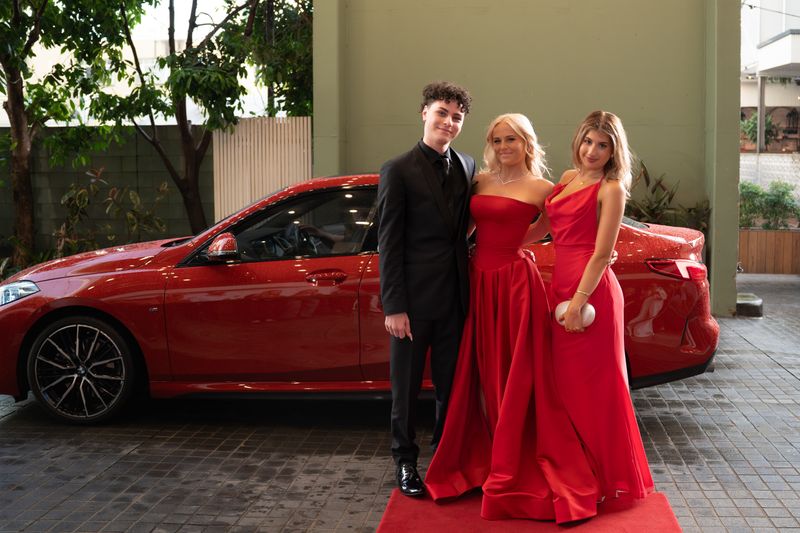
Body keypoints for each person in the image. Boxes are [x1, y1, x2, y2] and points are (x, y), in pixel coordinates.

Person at [424, 113, 600, 523]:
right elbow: (464, 228)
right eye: (497, 140)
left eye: (511, 140)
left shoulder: (543, 188)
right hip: (478, 282)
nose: (504, 147)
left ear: (527, 144)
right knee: (482, 372)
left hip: (516, 286)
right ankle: (484, 454)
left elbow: (560, 226)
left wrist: (518, 244)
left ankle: (511, 460)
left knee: (516, 376)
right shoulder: (479, 181)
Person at [544, 110, 654, 502]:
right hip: (561, 286)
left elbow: (603, 253)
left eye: (602, 145)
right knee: (566, 388)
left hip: (590, 294)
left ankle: (608, 478)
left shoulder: (612, 189)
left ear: (613, 151)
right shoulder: (567, 177)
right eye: (588, 141)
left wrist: (578, 302)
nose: (592, 151)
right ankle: (577, 470)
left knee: (598, 389)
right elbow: (547, 226)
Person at [377, 81, 477, 497]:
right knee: (405, 388)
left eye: (457, 117)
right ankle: (405, 462)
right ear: (424, 113)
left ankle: (445, 459)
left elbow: (470, 226)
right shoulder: (397, 169)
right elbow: (389, 242)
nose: (448, 122)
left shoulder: (469, 165)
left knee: (452, 389)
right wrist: (394, 305)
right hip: (413, 304)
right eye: (442, 113)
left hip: (456, 299)